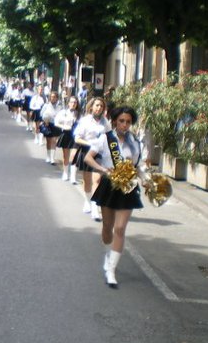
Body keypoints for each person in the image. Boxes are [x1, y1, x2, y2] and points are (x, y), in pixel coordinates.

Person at [84, 106, 148, 289]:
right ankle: (107, 254)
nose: (125, 125)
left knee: (120, 229)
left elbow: (138, 164)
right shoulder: (106, 138)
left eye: (128, 121)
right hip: (109, 185)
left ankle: (111, 269)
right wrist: (103, 169)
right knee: (107, 227)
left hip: (127, 187)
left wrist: (146, 180)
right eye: (121, 121)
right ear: (115, 121)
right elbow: (89, 157)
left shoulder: (135, 141)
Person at [73, 97, 111, 221]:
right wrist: (90, 144)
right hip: (87, 151)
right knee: (87, 180)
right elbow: (77, 138)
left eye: (101, 106)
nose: (99, 108)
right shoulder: (84, 121)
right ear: (91, 107)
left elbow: (110, 137)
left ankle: (95, 208)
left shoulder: (106, 122)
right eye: (97, 105)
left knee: (98, 180)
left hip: (100, 154)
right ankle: (87, 201)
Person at [55, 96, 80, 183]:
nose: (73, 104)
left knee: (74, 156)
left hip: (75, 136)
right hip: (66, 134)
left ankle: (73, 176)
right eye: (71, 102)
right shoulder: (63, 112)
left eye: (75, 102)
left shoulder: (79, 114)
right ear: (68, 103)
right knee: (66, 156)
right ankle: (65, 173)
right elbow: (56, 122)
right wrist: (63, 126)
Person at [40, 91, 63, 164]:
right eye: (51, 97)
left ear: (57, 98)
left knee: (54, 141)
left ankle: (52, 158)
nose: (52, 98)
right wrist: (45, 121)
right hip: (48, 124)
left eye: (54, 97)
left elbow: (62, 115)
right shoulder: (46, 105)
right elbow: (41, 114)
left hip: (56, 125)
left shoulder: (60, 106)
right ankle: (48, 156)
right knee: (48, 141)